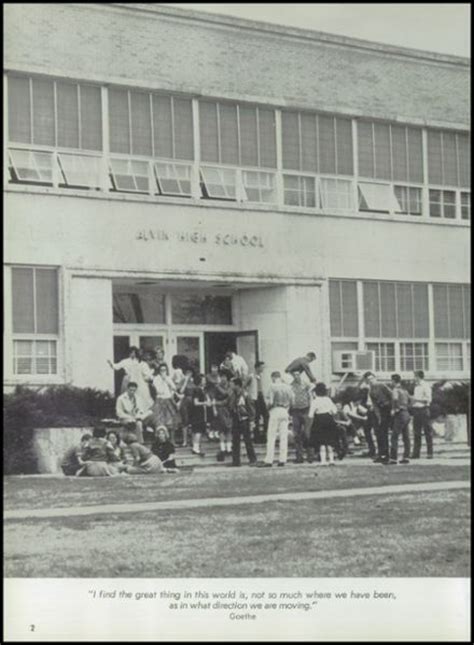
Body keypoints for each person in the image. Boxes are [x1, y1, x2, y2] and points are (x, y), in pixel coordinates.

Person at [260, 371, 294, 467]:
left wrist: (267, 409)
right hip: (285, 410)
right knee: (283, 436)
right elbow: (292, 400)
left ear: (273, 377)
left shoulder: (272, 386)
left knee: (271, 436)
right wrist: (288, 409)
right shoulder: (288, 387)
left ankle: (269, 460)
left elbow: (270, 402)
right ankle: (282, 459)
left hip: (275, 410)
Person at [360, 371, 392, 464]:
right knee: (375, 432)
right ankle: (378, 452)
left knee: (382, 433)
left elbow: (391, 395)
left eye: (371, 378)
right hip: (372, 411)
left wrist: (388, 407)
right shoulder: (368, 389)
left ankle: (385, 454)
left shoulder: (381, 386)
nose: (370, 381)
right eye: (368, 379)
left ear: (375, 378)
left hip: (382, 411)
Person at [228, 378, 257, 467]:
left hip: (244, 419)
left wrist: (252, 420)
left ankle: (252, 459)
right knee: (235, 441)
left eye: (232, 384)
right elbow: (230, 405)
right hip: (236, 419)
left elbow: (251, 408)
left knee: (247, 440)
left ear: (237, 385)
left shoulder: (245, 395)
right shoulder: (233, 395)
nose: (231, 386)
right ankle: (236, 461)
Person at [308, 383, 338, 466]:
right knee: (329, 441)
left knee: (321, 442)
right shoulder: (328, 400)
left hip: (319, 420)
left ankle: (323, 460)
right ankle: (331, 460)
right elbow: (335, 411)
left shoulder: (315, 401)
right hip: (329, 419)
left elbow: (310, 414)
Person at [151, 363, 179, 443]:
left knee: (172, 421)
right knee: (160, 421)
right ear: (159, 371)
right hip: (160, 400)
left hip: (169, 400)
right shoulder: (156, 379)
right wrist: (162, 381)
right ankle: (160, 441)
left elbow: (174, 388)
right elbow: (159, 391)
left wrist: (167, 380)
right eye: (161, 370)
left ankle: (172, 441)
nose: (163, 372)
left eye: (165, 370)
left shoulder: (168, 378)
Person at [289, 370, 313, 463]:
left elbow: (310, 395)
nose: (296, 376)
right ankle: (299, 457)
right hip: (295, 410)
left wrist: (311, 408)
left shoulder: (306, 384)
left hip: (305, 409)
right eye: (294, 375)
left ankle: (310, 456)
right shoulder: (291, 385)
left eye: (298, 374)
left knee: (307, 433)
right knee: (297, 434)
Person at [411, 370, 434, 460]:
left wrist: (416, 400)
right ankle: (416, 453)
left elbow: (428, 399)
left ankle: (430, 453)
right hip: (416, 410)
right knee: (416, 433)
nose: (413, 378)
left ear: (419, 377)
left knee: (427, 432)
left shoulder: (425, 386)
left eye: (415, 376)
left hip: (423, 410)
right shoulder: (416, 387)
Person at [388, 374, 411, 465]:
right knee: (406, 437)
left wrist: (395, 409)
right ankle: (406, 456)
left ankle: (393, 458)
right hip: (406, 413)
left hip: (400, 414)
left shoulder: (395, 390)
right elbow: (410, 401)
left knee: (394, 437)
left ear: (393, 381)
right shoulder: (405, 390)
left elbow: (395, 400)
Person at [343, 393, 375, 457]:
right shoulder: (347, 406)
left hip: (354, 424)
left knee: (365, 422)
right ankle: (357, 438)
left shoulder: (358, 406)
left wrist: (368, 413)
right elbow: (351, 414)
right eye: (359, 401)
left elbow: (365, 411)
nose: (359, 403)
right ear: (356, 400)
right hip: (346, 424)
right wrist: (362, 418)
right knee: (354, 421)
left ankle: (362, 435)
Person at [213, 371, 233, 461]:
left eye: (225, 376)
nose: (223, 378)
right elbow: (214, 398)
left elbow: (227, 394)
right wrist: (214, 408)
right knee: (221, 429)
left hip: (228, 408)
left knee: (229, 428)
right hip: (220, 409)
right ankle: (222, 448)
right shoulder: (217, 387)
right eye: (222, 377)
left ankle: (229, 448)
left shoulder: (229, 386)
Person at [247, 361, 269, 444]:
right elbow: (244, 386)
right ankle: (257, 437)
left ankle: (264, 433)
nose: (263, 369)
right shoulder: (251, 376)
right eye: (262, 367)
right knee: (256, 417)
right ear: (257, 367)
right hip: (254, 397)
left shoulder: (261, 376)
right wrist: (248, 396)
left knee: (266, 415)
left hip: (260, 396)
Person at [190, 373, 210, 456]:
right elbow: (195, 402)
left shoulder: (201, 390)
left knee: (197, 431)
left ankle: (195, 447)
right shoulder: (197, 390)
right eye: (203, 379)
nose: (205, 381)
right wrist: (205, 402)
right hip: (197, 413)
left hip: (199, 412)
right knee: (198, 431)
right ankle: (196, 448)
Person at [205, 363, 221, 441]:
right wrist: (207, 397)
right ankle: (211, 431)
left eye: (216, 367)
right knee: (212, 414)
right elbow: (210, 384)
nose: (214, 369)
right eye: (213, 368)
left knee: (217, 414)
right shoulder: (208, 376)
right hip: (210, 397)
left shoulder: (219, 376)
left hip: (218, 397)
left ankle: (216, 431)